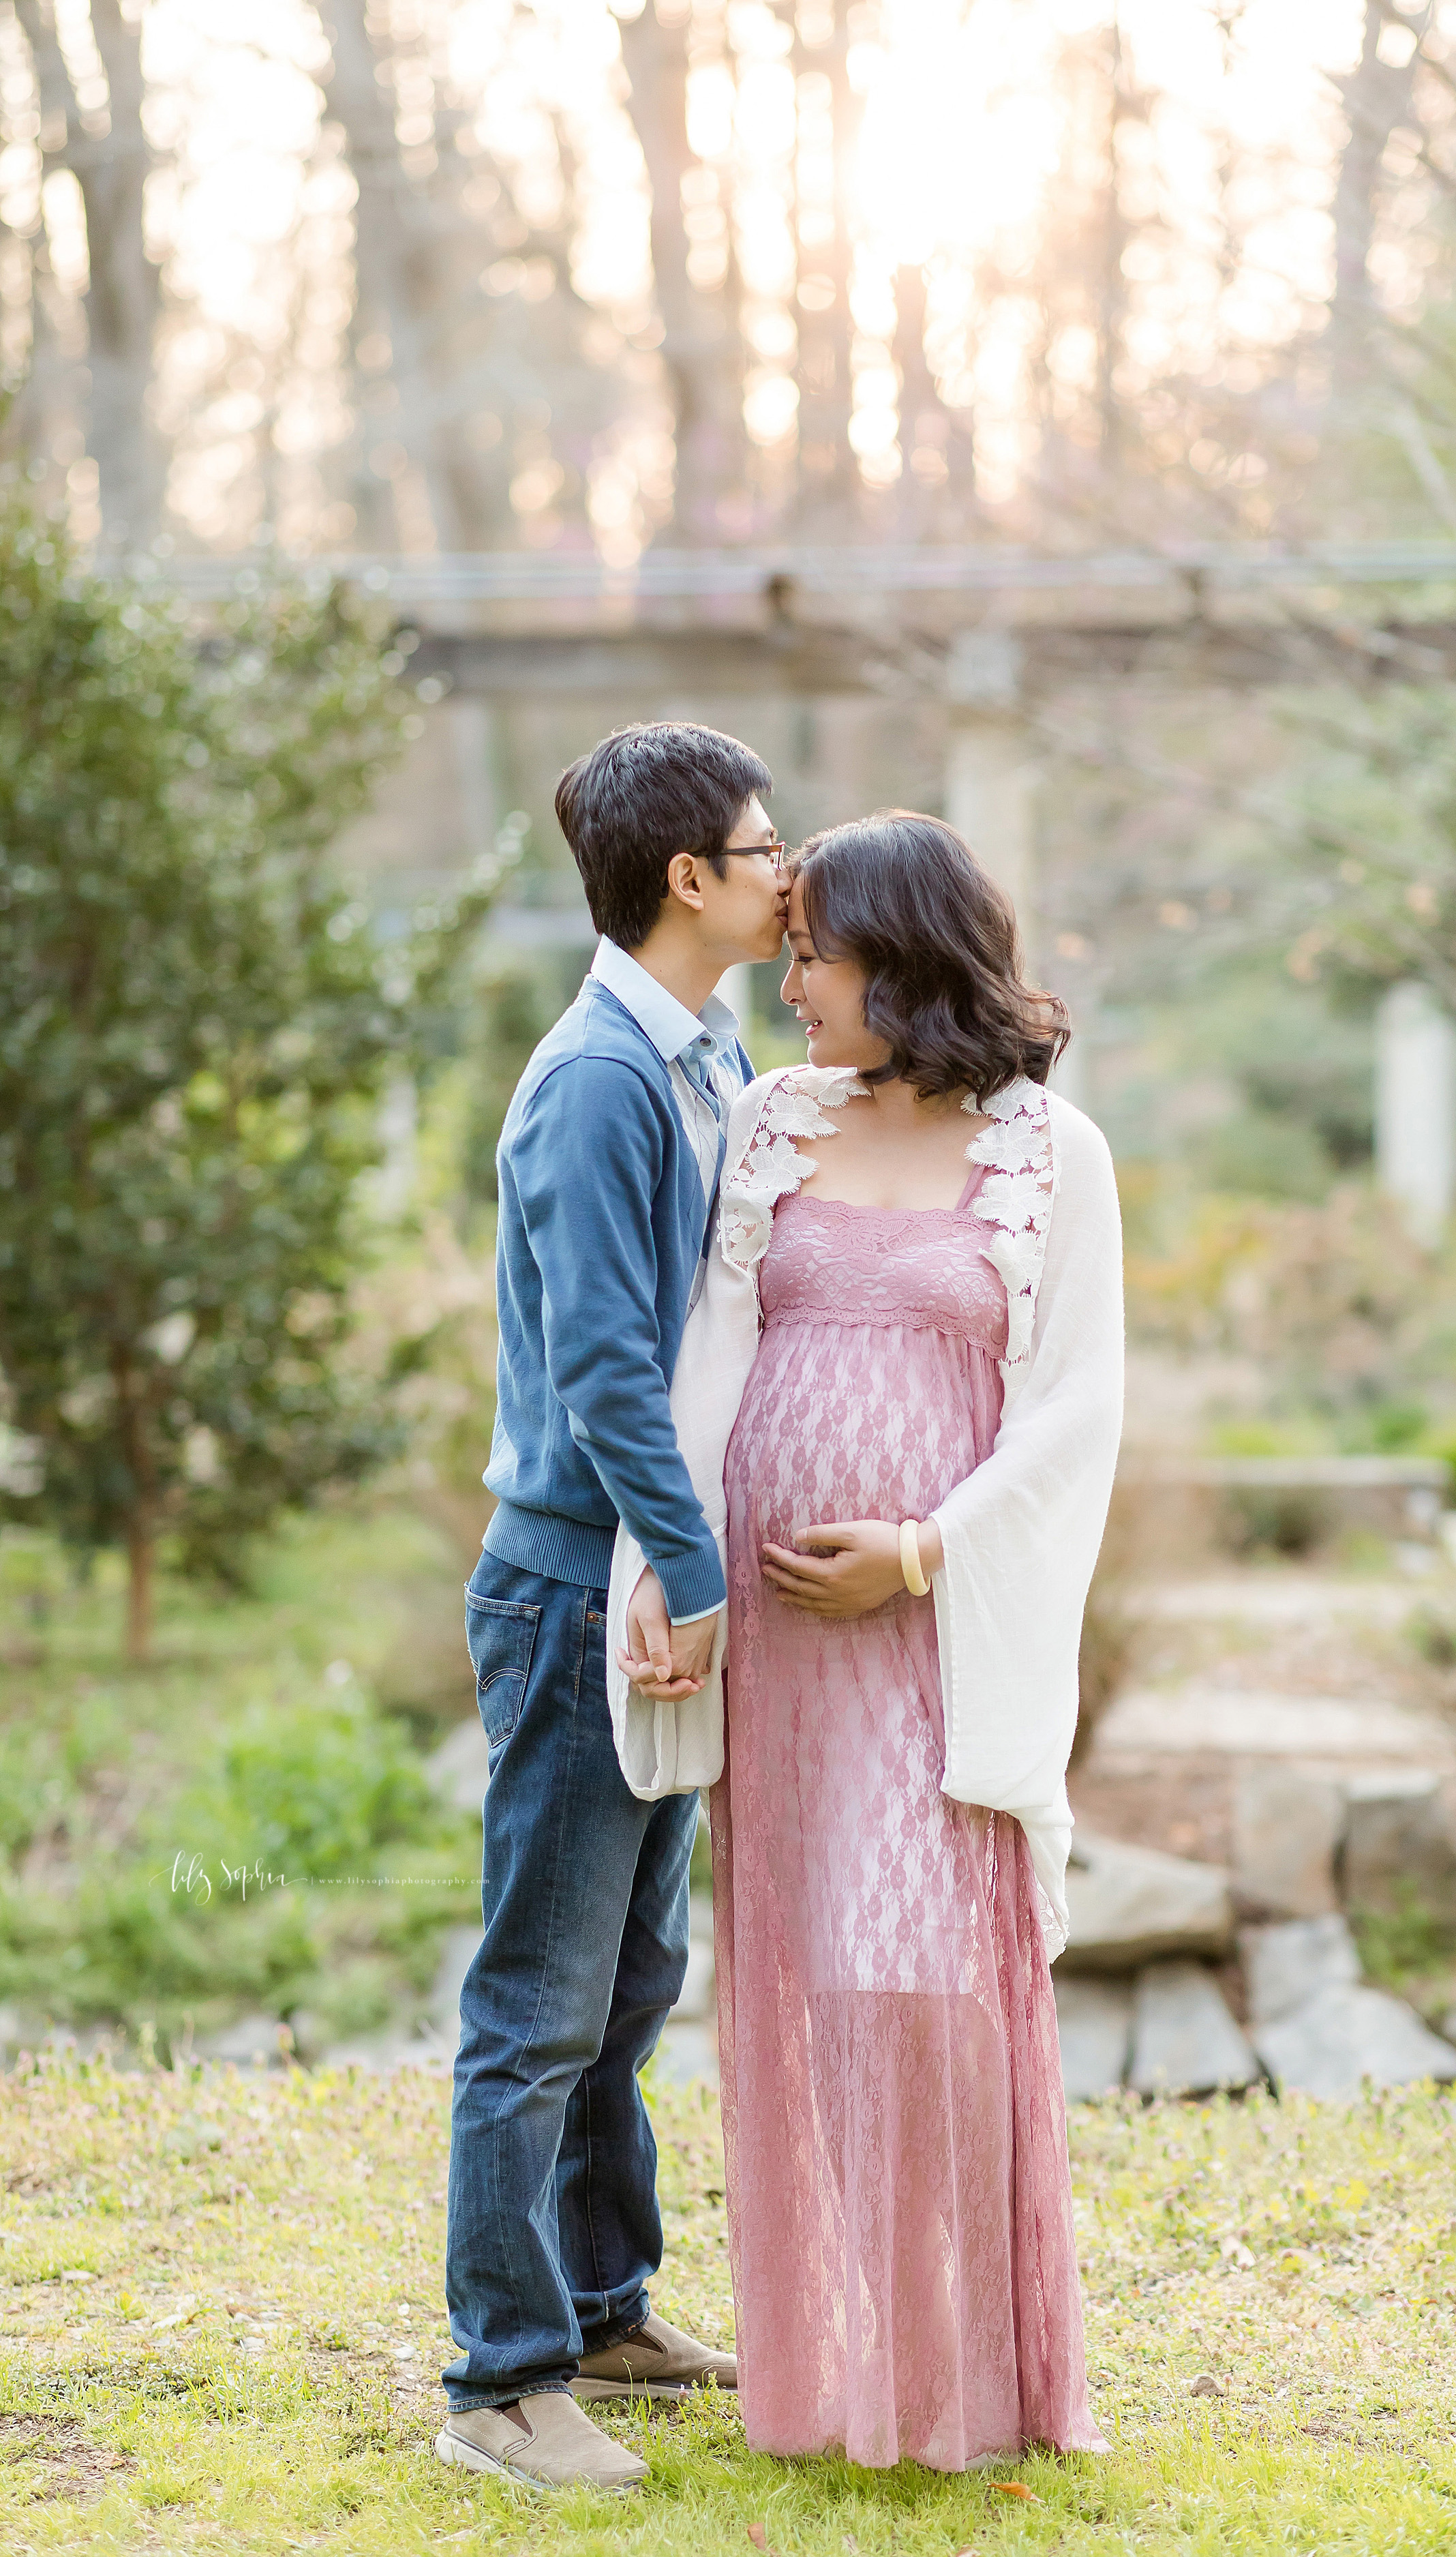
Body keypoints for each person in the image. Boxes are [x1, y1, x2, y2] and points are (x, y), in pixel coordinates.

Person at [607, 812, 1125, 2472]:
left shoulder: (1053, 1152)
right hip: (781, 1648)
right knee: (815, 1976)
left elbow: (1075, 1416)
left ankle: (965, 2371)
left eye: (813, 952)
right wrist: (662, 1571)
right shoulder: (770, 1123)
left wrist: (917, 1554)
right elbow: (703, 1366)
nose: (786, 977)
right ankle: (840, 2374)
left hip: (930, 1634)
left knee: (932, 1985)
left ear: (904, 958)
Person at [437, 721, 791, 2496]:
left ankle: (598, 2304)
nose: (784, 865)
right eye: (761, 840)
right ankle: (500, 2377)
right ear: (686, 878)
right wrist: (697, 1573)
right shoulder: (597, 1078)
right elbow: (598, 1369)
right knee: (541, 1992)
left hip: (646, 1576)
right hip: (590, 1581)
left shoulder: (704, 1051)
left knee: (634, 1976)